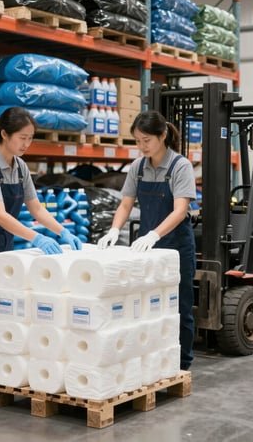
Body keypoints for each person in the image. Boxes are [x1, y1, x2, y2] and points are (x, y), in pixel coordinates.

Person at [0, 106, 81, 408]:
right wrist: (36, 237)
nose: (26, 144)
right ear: (4, 134)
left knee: (1, 313)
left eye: (30, 139)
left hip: (2, 248)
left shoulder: (20, 166)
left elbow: (36, 208)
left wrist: (61, 231)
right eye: (22, 138)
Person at [98, 110, 196, 371]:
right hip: (147, 249)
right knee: (147, 308)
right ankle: (152, 362)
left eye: (146, 141)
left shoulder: (180, 166)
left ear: (163, 136)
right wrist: (113, 231)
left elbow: (180, 210)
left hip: (176, 247)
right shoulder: (138, 168)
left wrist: (154, 234)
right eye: (137, 141)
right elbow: (126, 204)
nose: (141, 147)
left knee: (179, 305)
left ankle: (181, 364)